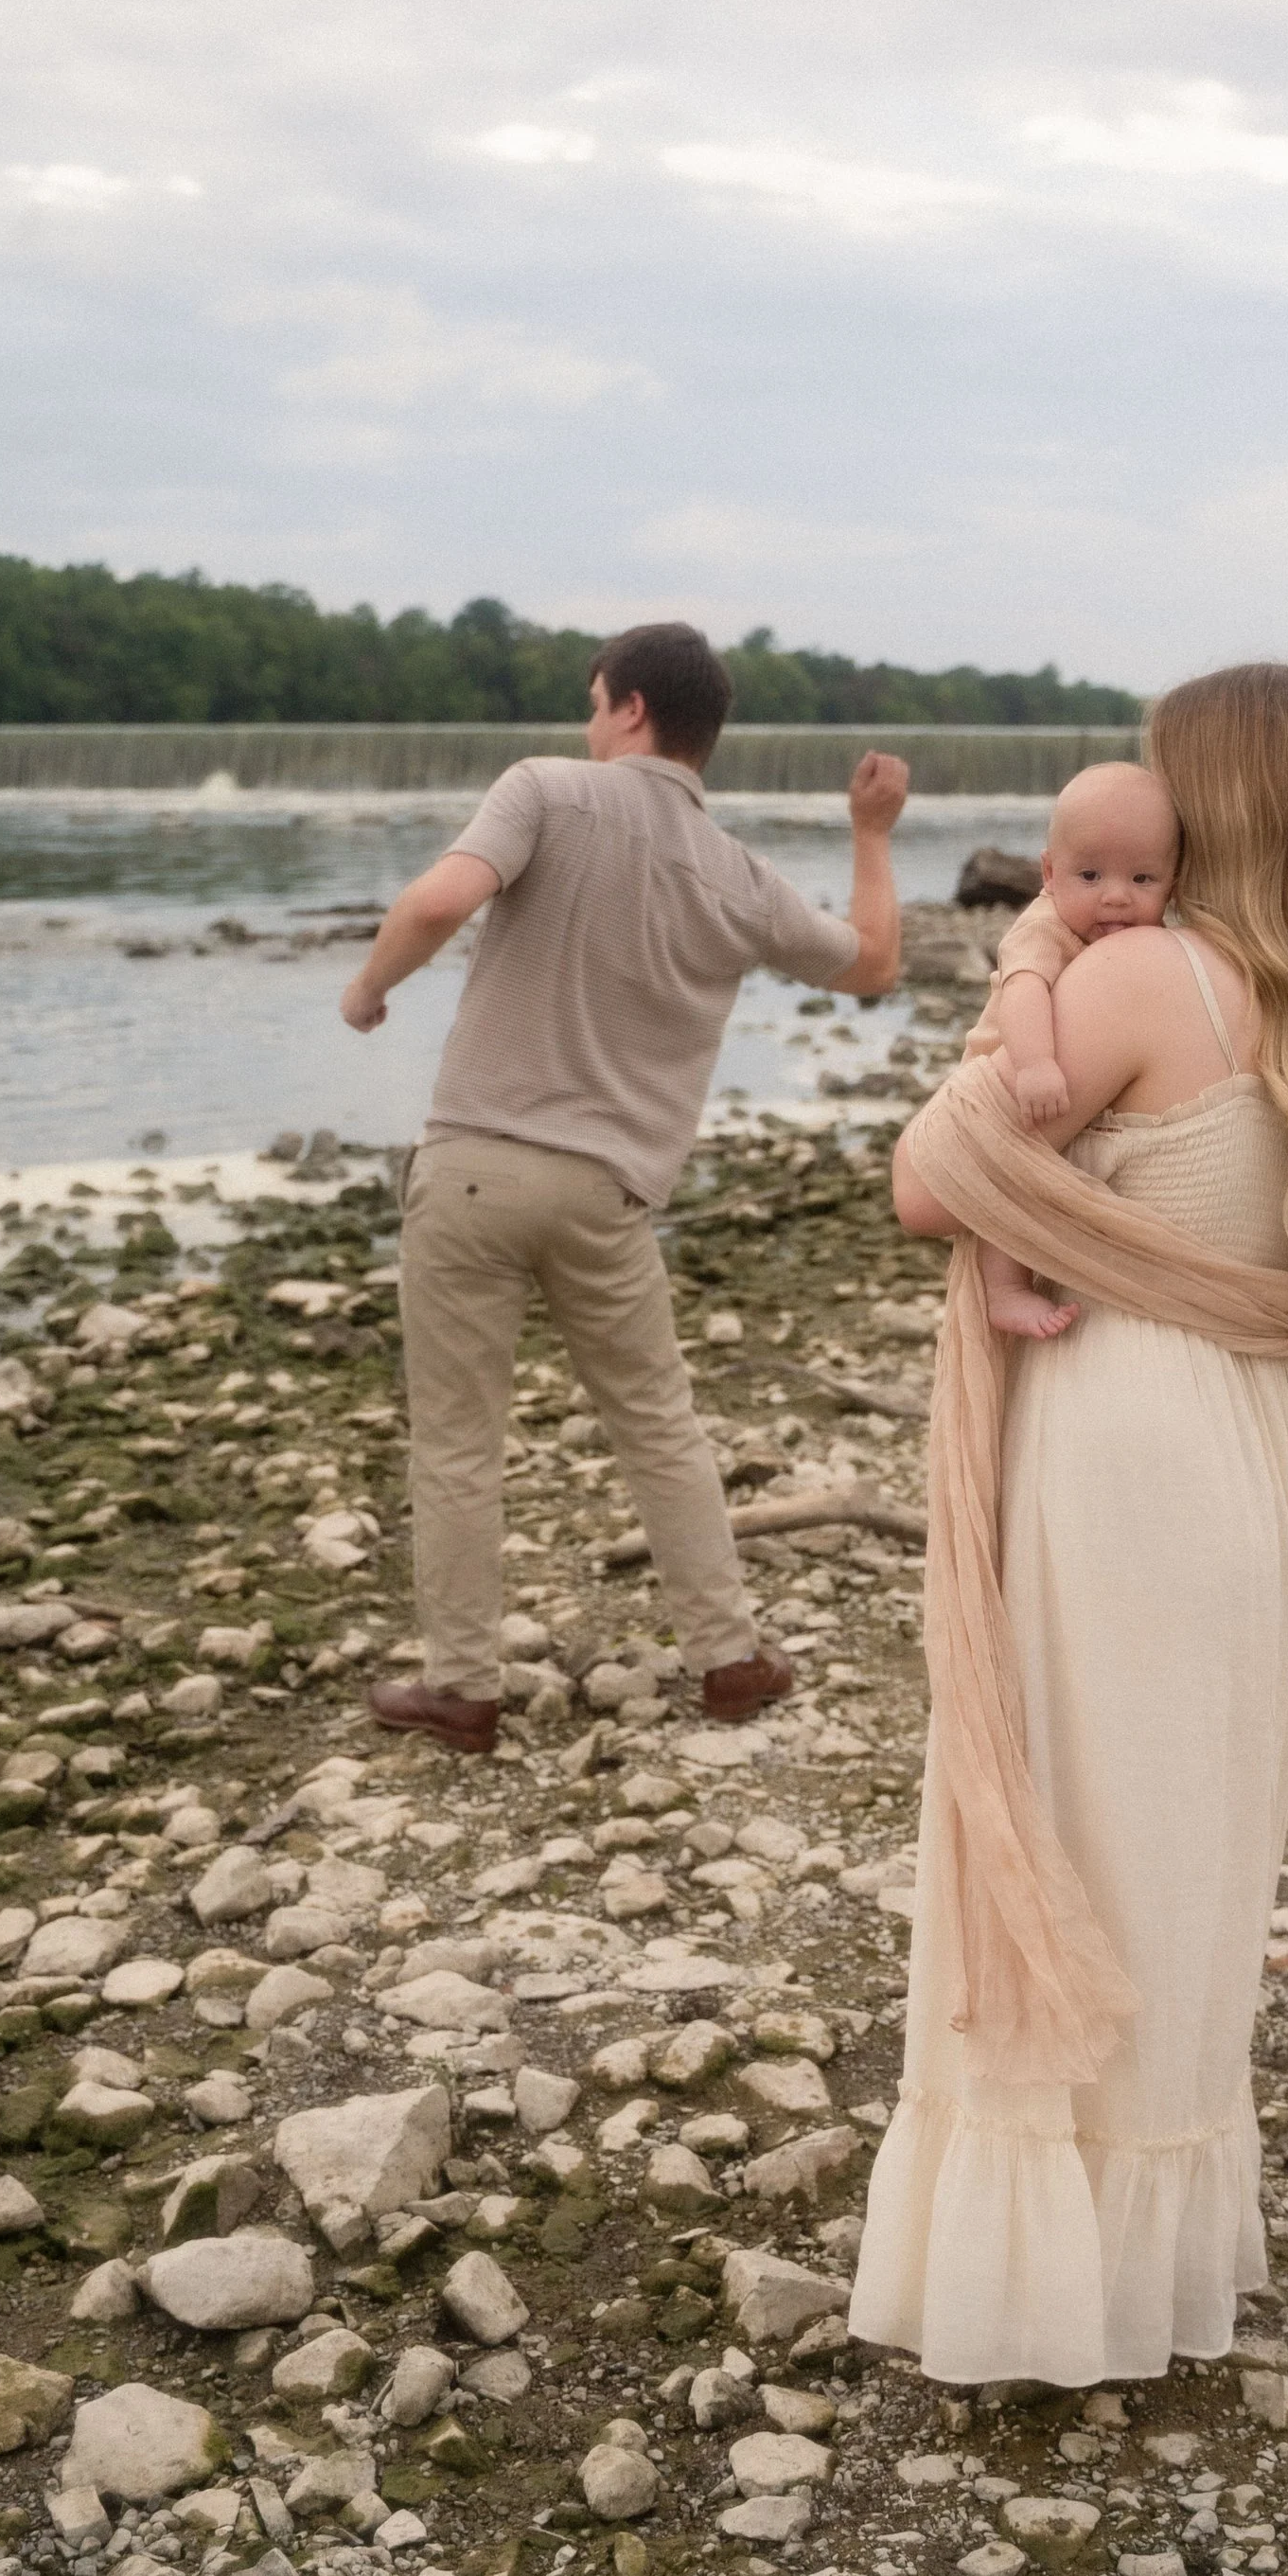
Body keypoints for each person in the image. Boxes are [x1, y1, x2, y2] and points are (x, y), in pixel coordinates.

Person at [849, 663, 1288, 2387]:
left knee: (1078, 1812)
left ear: (1217, 806)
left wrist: (1028, 955)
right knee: (1187, 1834)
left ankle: (1041, 2279)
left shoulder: (1149, 973)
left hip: (1124, 1432)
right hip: (1252, 1439)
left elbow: (926, 1183)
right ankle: (1153, 2251)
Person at [341, 620, 911, 1755]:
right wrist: (869, 834)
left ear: (632, 709)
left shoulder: (546, 790)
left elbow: (439, 903)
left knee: (458, 1439)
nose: (588, 718)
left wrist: (367, 990)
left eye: (595, 698)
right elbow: (875, 966)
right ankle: (730, 1657)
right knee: (657, 1423)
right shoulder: (736, 875)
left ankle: (461, 1686)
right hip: (609, 1193)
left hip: (472, 1171)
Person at [961, 760, 1180, 1341]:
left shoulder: (1142, 938)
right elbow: (1024, 989)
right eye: (1090, 876)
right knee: (1010, 1180)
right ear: (1048, 874)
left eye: (1142, 880)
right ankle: (1002, 1288)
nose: (1115, 898)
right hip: (1012, 1070)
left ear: (1174, 882)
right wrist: (1033, 1065)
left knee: (1053, 1186)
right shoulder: (1042, 927)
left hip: (1067, 1077)